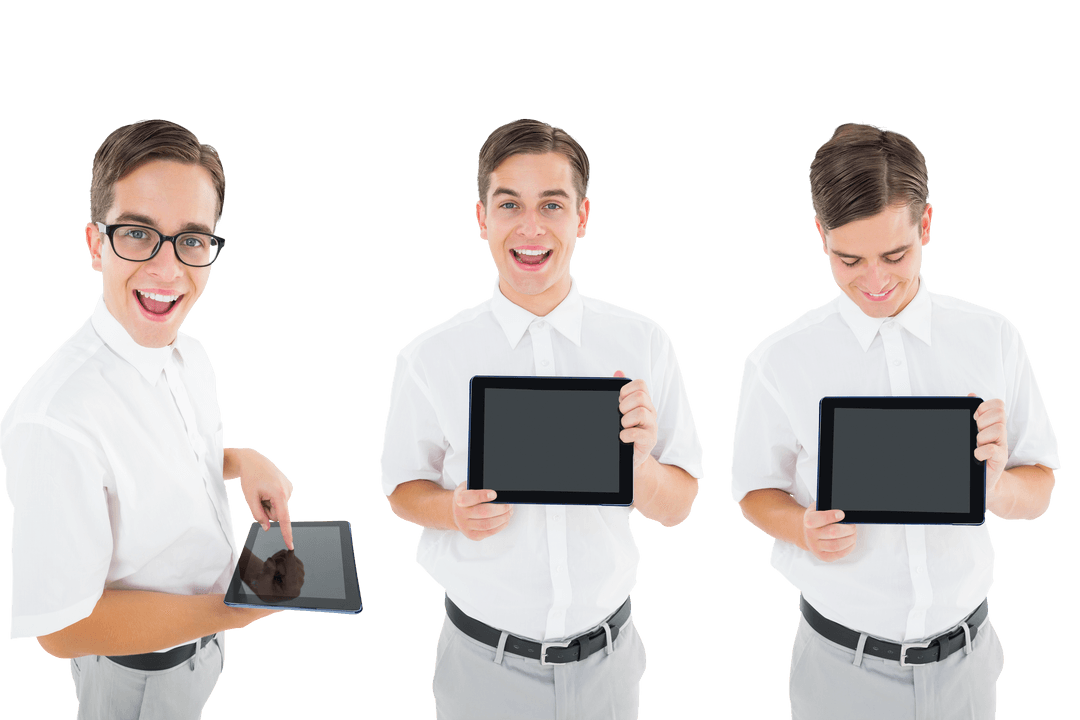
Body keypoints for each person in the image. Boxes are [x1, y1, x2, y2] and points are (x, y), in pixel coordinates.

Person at [731, 122, 1059, 719]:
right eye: (848, 259)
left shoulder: (991, 338)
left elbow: (1037, 487)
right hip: (838, 670)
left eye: (895, 255)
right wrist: (803, 527)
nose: (875, 281)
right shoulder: (780, 360)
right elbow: (755, 490)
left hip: (967, 664)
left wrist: (998, 484)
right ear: (820, 235)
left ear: (926, 225)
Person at [380, 118, 704, 719]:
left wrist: (638, 467)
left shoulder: (642, 343)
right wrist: (451, 511)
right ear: (482, 218)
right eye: (510, 205)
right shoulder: (432, 356)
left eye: (552, 205)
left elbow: (677, 506)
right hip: (481, 667)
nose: (530, 228)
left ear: (582, 217)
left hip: (608, 665)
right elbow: (403, 489)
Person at [1, 118, 296, 719]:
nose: (167, 269)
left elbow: (152, 463)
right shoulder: (54, 418)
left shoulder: (188, 354)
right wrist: (241, 606)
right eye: (138, 234)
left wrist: (242, 461)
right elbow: (64, 627)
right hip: (139, 677)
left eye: (192, 239)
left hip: (200, 648)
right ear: (94, 243)